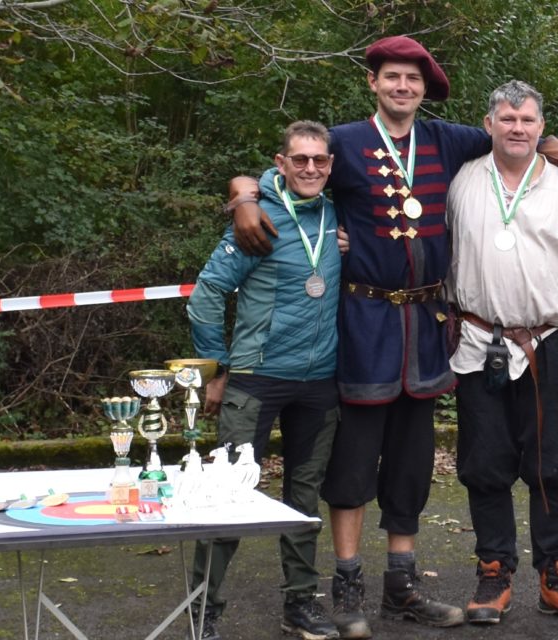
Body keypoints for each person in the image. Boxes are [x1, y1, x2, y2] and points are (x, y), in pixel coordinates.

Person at [223, 36, 558, 638]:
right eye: (392, 77)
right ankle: (348, 584)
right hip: (363, 325)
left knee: (411, 464)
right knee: (350, 465)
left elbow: (521, 136)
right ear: (372, 82)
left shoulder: (449, 141)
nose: (403, 87)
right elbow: (285, 169)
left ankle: (401, 587)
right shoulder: (343, 143)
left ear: (425, 90)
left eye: (412, 80)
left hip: (427, 329)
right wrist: (243, 197)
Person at [446, 79, 558, 626]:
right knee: (483, 464)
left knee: (555, 464)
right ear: (489, 123)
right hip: (477, 342)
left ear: (543, 127)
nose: (518, 128)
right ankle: (493, 572)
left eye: (528, 120)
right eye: (508, 119)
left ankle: (556, 573)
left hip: (551, 343)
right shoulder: (462, 180)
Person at [187, 120, 343, 640]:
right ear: (280, 163)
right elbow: (206, 295)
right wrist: (217, 368)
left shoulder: (337, 213)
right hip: (256, 379)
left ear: (330, 165)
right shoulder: (255, 220)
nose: (310, 168)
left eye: (319, 160)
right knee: (228, 496)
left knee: (304, 500)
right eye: (299, 159)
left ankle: (300, 604)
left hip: (319, 381)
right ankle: (202, 609)